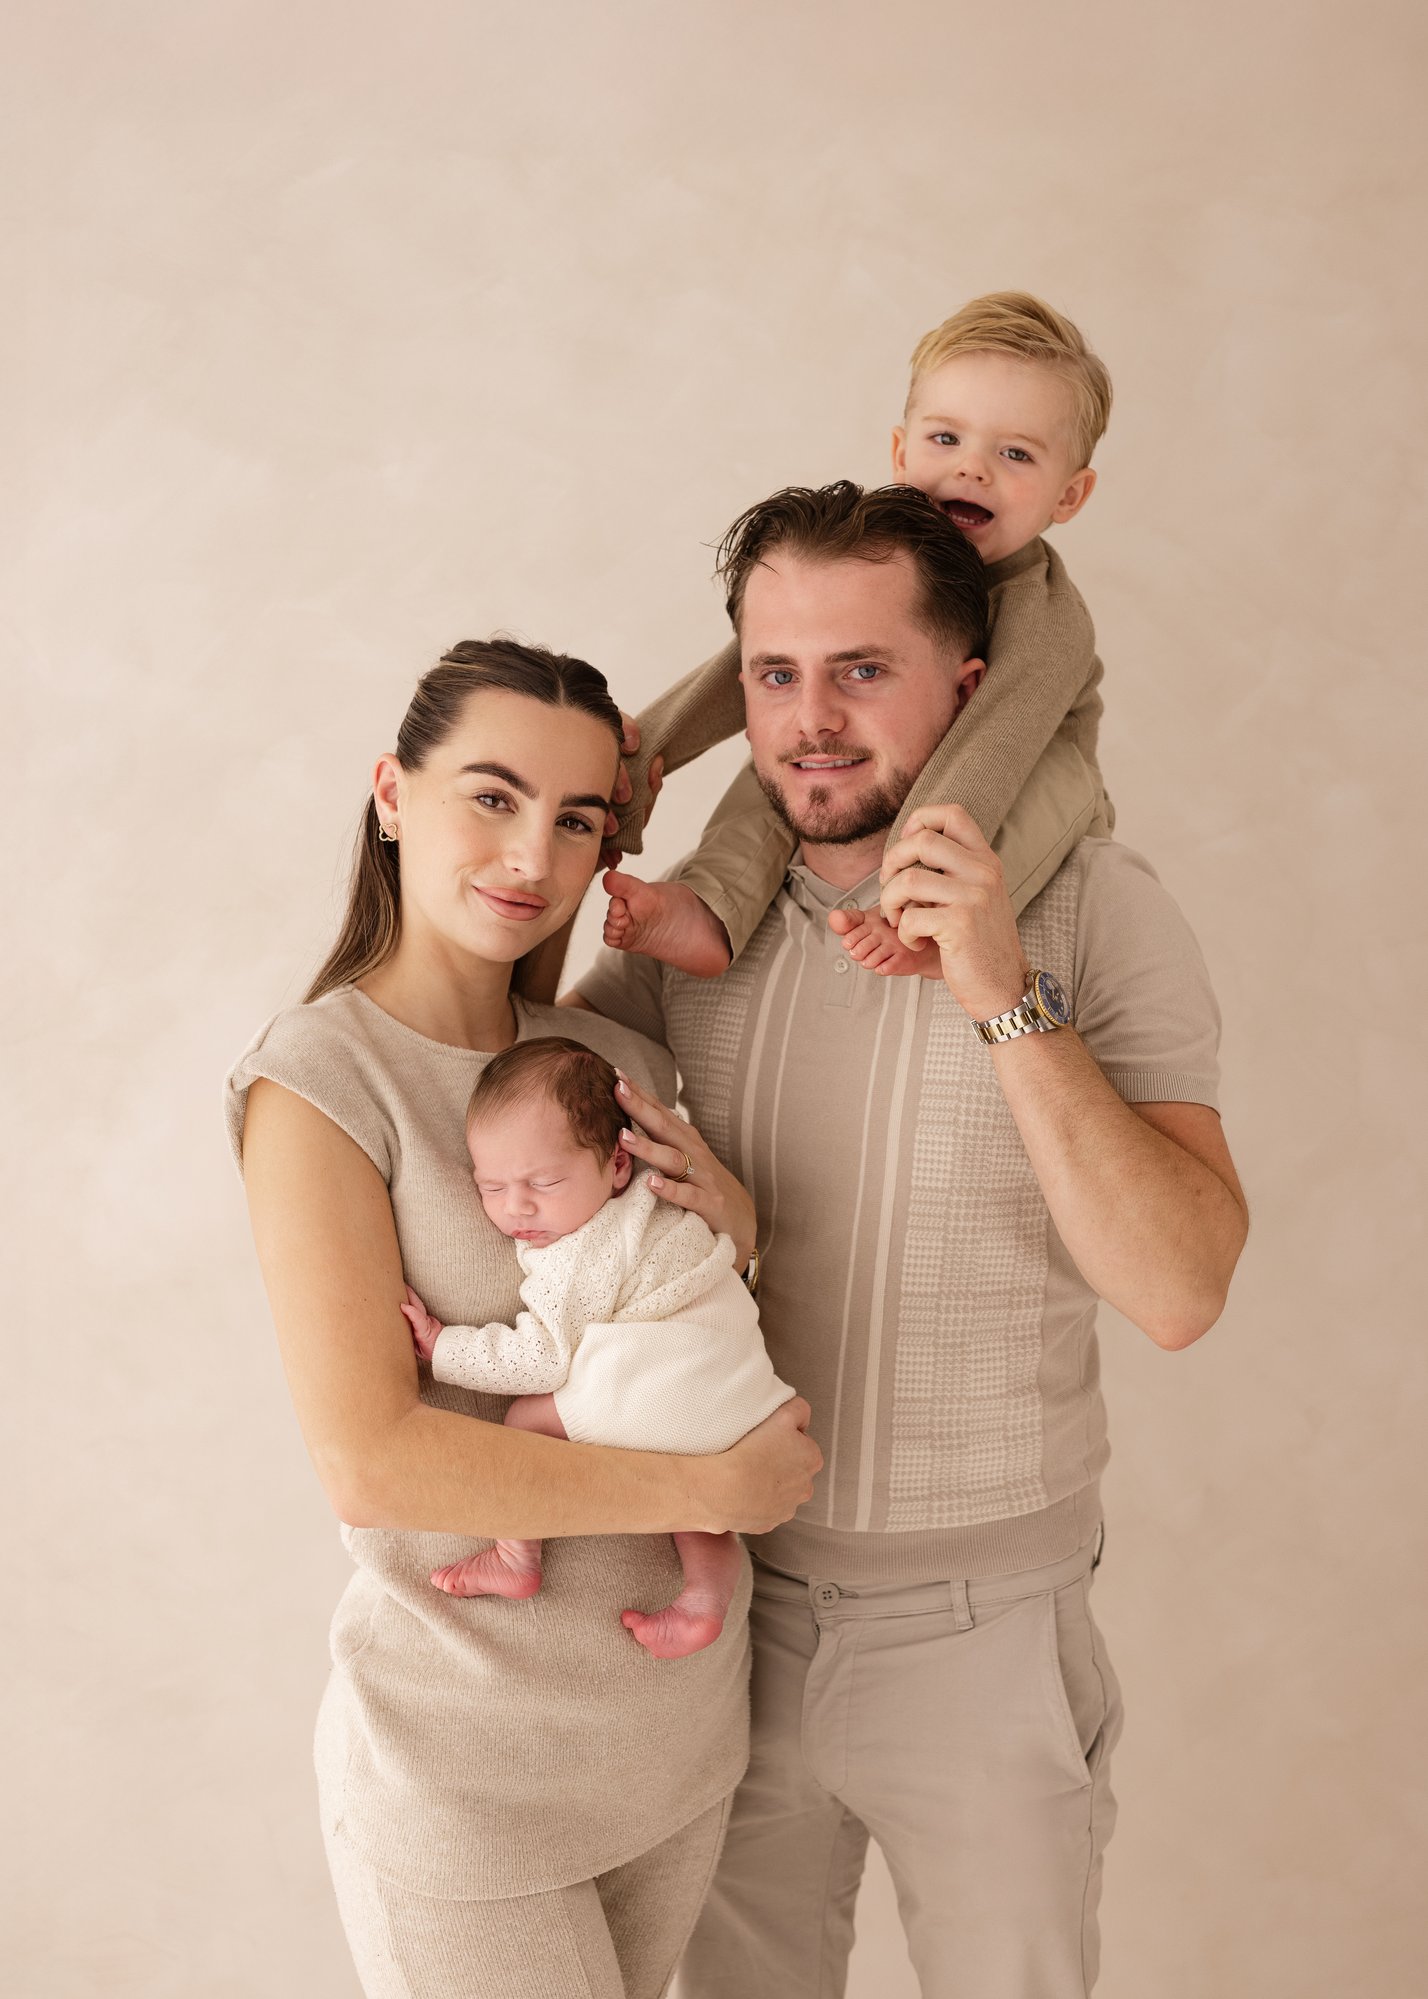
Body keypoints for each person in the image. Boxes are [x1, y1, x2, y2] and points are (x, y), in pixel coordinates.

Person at [569, 483, 1249, 1998]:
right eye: (774, 672)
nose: (810, 719)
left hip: (986, 1638)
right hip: (721, 1617)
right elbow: (516, 1131)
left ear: (969, 684)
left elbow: (1183, 1285)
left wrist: (1002, 988)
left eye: (862, 669)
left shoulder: (1098, 910)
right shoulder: (691, 934)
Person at [225, 639, 820, 1999]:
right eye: (490, 797)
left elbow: (689, 1324)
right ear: (392, 791)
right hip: (466, 1776)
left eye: (577, 817)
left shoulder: (621, 1063)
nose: (531, 853)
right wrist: (710, 1485)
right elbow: (374, 1458)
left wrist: (743, 1218)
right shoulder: (321, 1078)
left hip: (676, 1744)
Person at [597, 290, 1116, 982]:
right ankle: (712, 905)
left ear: (1069, 496)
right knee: (799, 738)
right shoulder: (875, 561)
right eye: (945, 438)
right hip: (901, 753)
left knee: (1039, 798)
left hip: (1026, 758)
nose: (973, 468)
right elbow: (750, 670)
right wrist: (637, 755)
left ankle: (941, 927)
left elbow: (992, 746)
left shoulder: (1048, 615)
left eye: (1016, 453)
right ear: (901, 453)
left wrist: (907, 880)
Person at [399, 1034, 794, 1659]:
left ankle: (515, 1555)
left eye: (543, 1182)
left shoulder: (579, 1253)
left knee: (526, 1421)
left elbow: (543, 1356)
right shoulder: (654, 1197)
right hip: (738, 1392)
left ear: (615, 1164)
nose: (517, 1206)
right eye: (491, 1188)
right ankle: (704, 1596)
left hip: (673, 1375)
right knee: (698, 1498)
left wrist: (444, 1347)